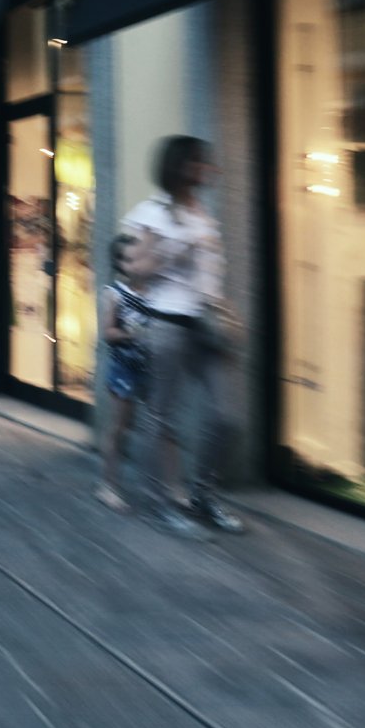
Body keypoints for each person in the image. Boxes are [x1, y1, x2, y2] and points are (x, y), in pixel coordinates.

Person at [120, 136, 245, 536]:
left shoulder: (204, 215)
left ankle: (203, 494)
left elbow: (209, 277)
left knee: (227, 417)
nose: (208, 168)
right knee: (160, 417)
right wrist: (173, 248)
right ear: (180, 167)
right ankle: (161, 504)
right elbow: (134, 272)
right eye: (199, 162)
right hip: (167, 324)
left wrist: (228, 310)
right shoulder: (151, 213)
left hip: (207, 325)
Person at [95, 232, 154, 514]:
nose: (137, 265)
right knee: (119, 428)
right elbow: (107, 332)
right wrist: (133, 334)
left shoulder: (154, 293)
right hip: (124, 370)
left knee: (154, 427)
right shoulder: (114, 294)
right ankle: (108, 486)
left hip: (150, 369)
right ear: (119, 264)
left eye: (139, 258)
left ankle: (157, 486)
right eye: (129, 260)